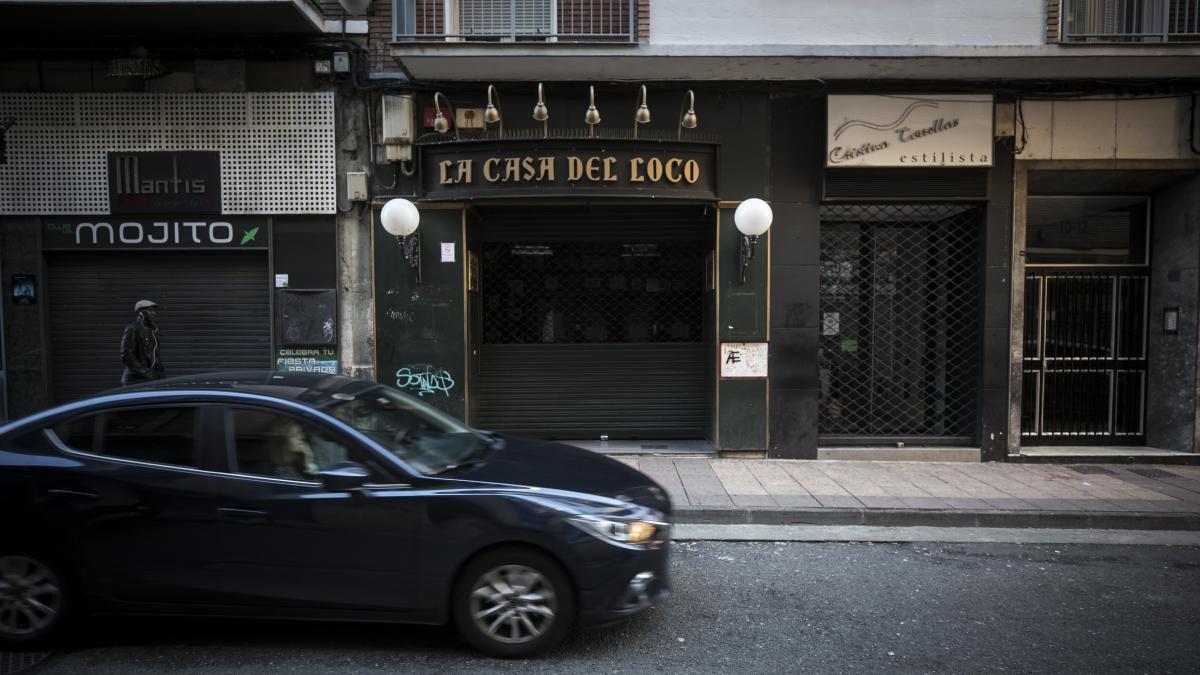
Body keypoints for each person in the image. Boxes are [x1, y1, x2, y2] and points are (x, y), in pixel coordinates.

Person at [120, 299, 165, 386]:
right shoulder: (133, 328)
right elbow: (126, 355)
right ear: (141, 312)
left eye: (154, 310)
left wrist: (160, 374)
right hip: (136, 380)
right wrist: (145, 372)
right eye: (150, 310)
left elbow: (154, 356)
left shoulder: (152, 330)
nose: (153, 313)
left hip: (151, 378)